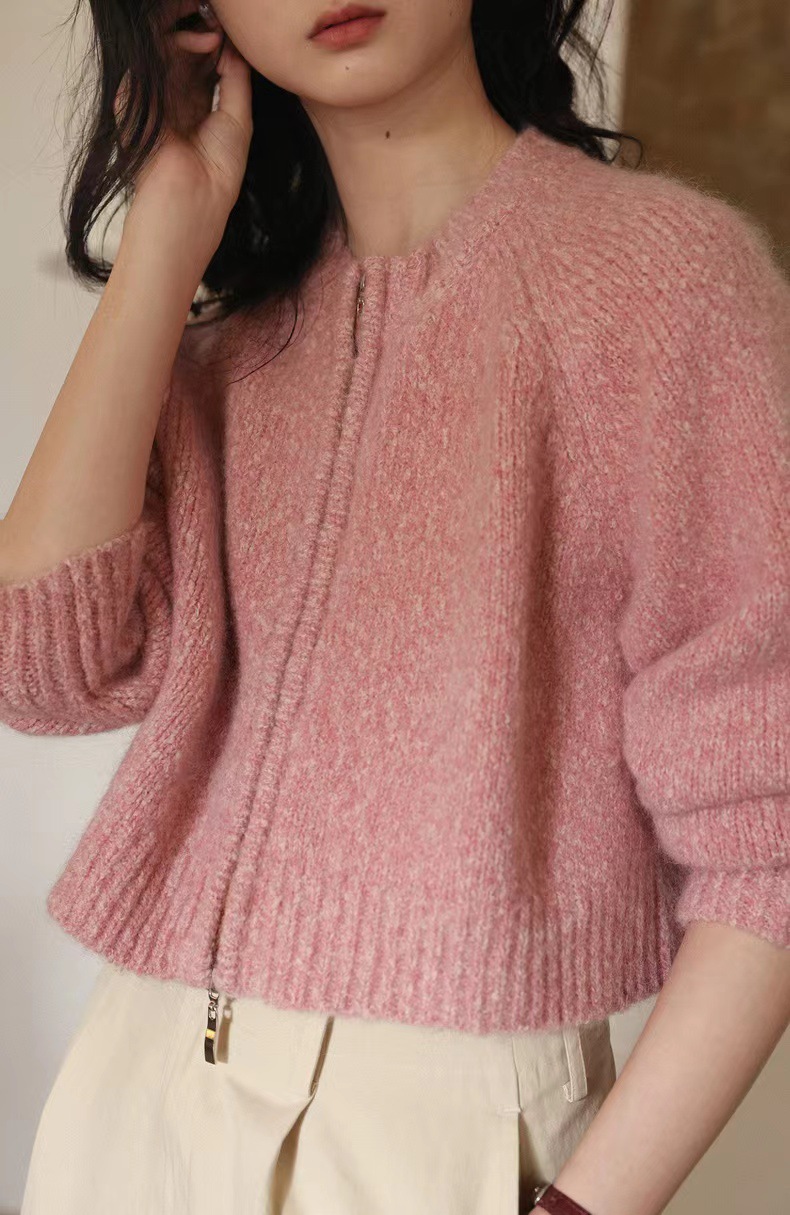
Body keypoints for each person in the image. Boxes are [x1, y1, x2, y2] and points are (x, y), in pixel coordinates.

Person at [1, 2, 788, 1213]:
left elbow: (770, 839)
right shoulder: (225, 350)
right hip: (136, 1099)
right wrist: (164, 230)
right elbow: (40, 668)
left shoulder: (666, 286)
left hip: (439, 1137)